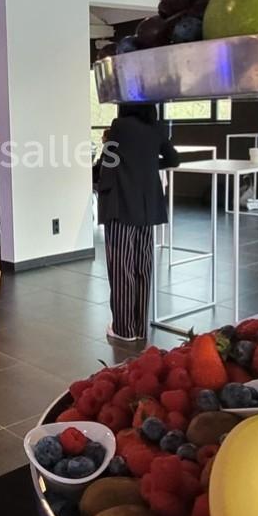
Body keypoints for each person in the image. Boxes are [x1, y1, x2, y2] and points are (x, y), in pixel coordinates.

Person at [95, 104, 180, 343]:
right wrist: (149, 165)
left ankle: (123, 328)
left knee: (122, 267)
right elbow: (174, 159)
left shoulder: (120, 127)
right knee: (143, 266)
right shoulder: (157, 128)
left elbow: (107, 163)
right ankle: (139, 326)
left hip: (121, 205)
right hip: (147, 207)